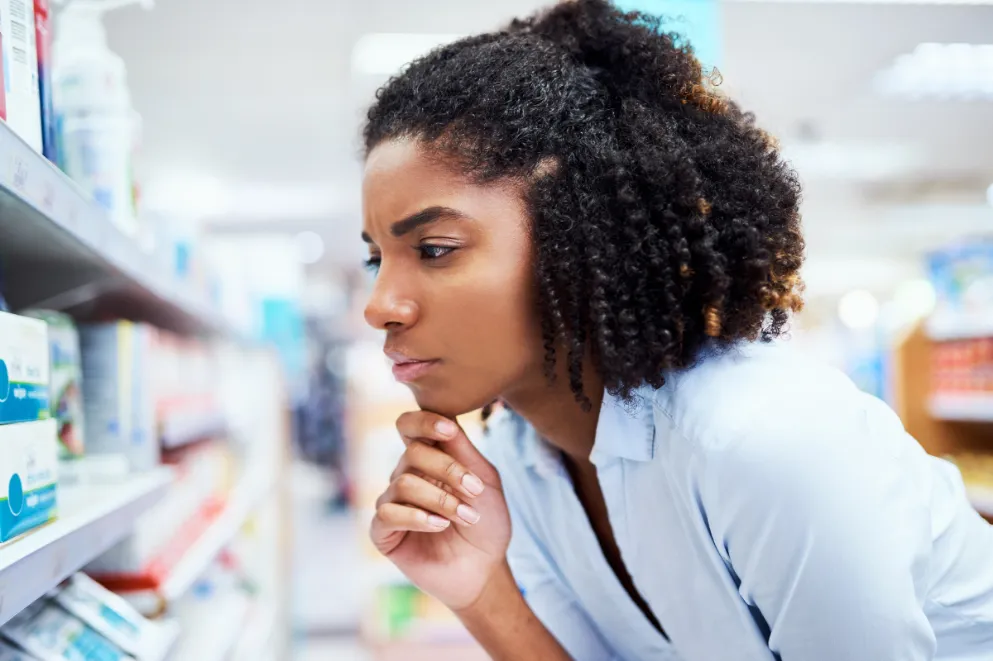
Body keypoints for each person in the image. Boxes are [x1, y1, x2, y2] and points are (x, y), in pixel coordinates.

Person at [359, 1, 993, 659]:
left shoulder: (764, 440)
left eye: (434, 248)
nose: (379, 305)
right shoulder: (521, 465)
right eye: (376, 256)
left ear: (576, 238)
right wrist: (477, 589)